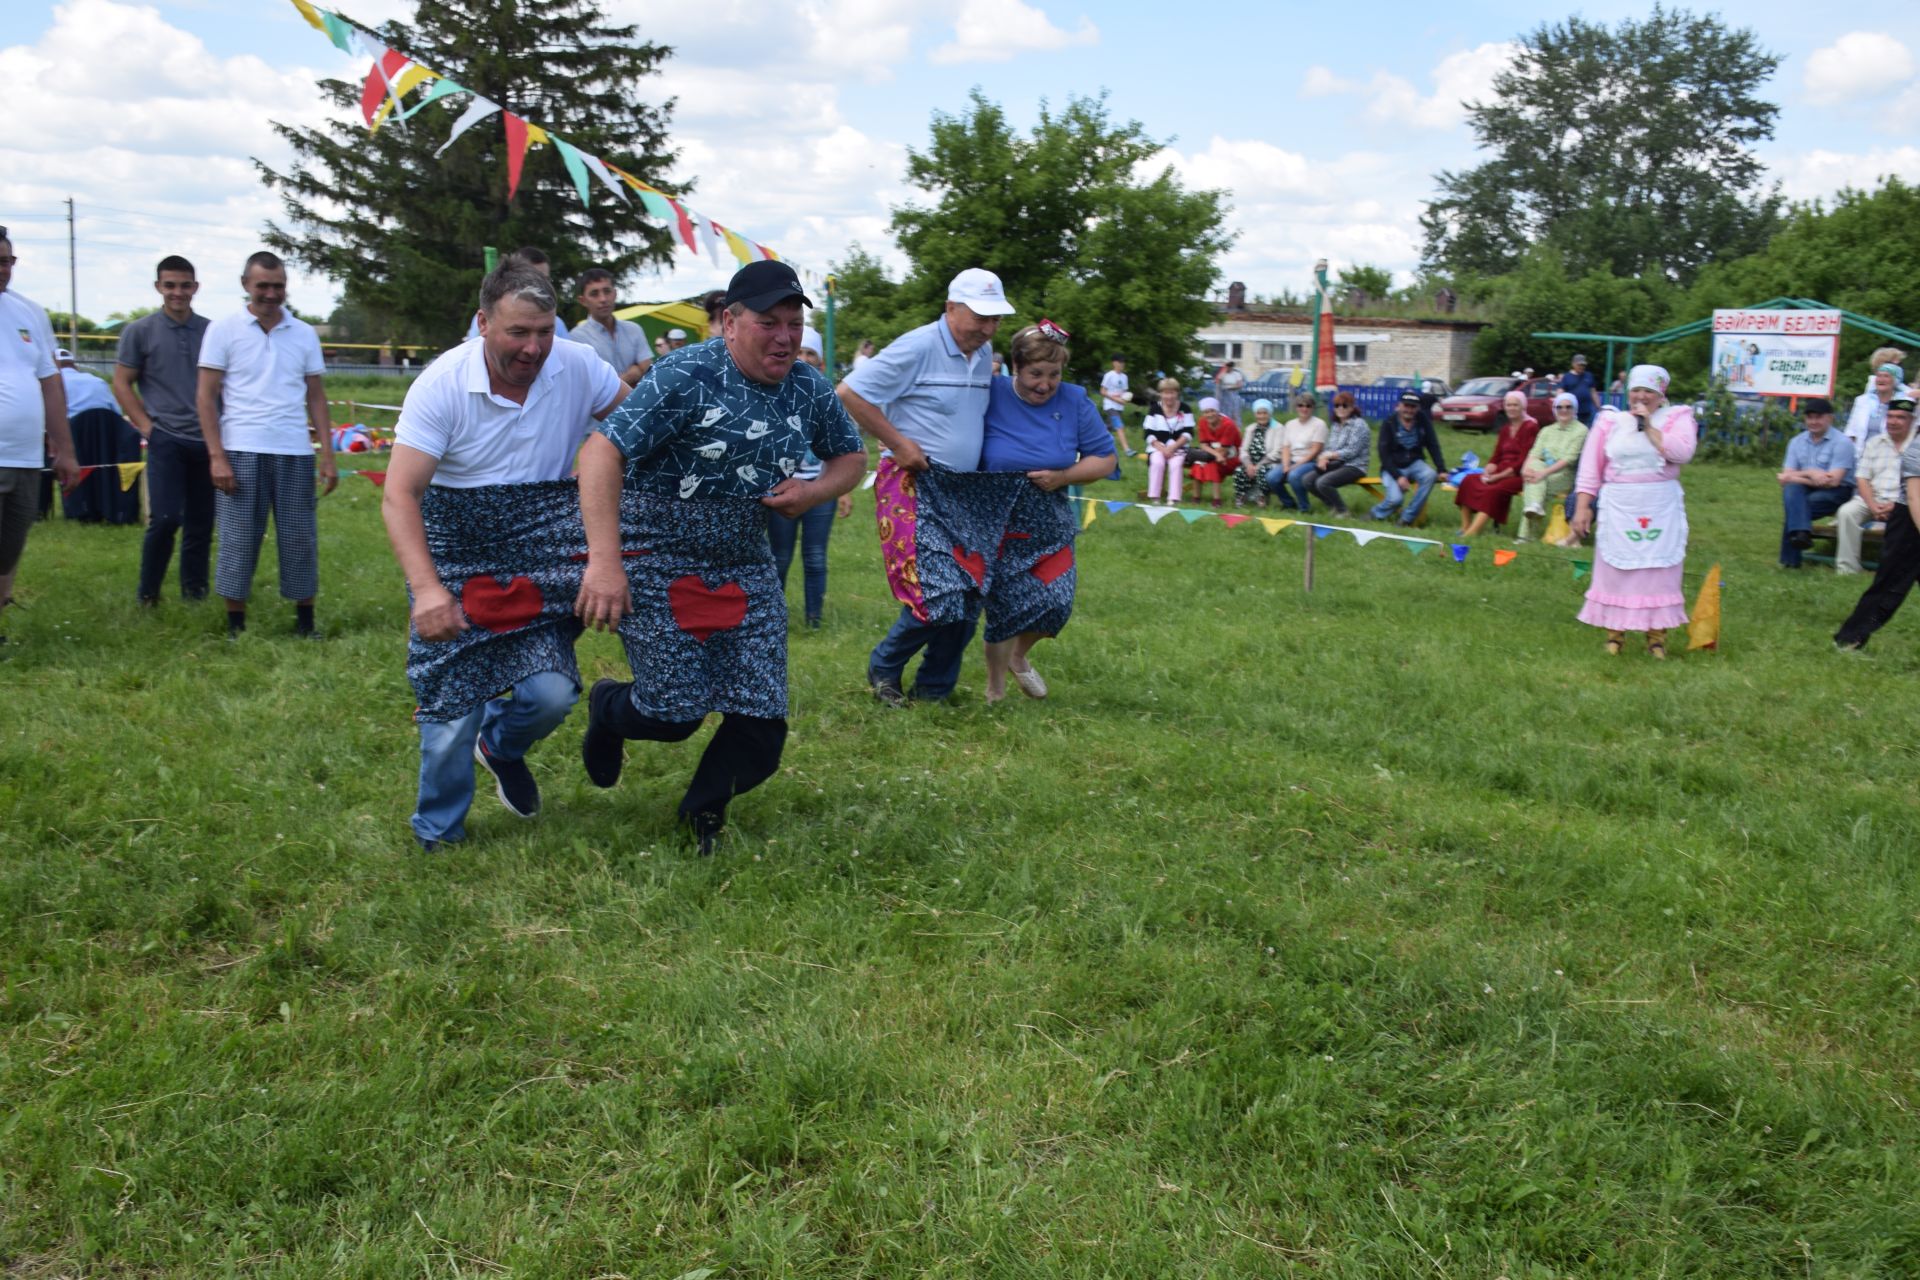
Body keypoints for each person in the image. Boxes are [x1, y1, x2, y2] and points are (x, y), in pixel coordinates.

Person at [574, 260, 865, 851]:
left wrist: (812, 492)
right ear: (729, 322)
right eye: (768, 323)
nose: (785, 337)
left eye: (794, 323)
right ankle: (609, 708)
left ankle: (701, 815)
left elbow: (851, 459)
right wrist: (605, 563)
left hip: (742, 556)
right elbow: (601, 455)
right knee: (673, 714)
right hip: (657, 553)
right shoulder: (683, 374)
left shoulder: (808, 385)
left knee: (761, 724)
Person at [382, 263, 629, 853]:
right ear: (483, 322)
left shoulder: (576, 364)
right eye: (519, 332)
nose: (534, 347)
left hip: (539, 552)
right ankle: (438, 833)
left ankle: (501, 747)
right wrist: (428, 589)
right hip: (455, 552)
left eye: (544, 331)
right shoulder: (441, 384)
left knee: (553, 695)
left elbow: (641, 427)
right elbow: (400, 495)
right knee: (451, 711)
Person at [839, 267, 1009, 706]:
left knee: (971, 592)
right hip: (913, 483)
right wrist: (898, 443)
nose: (989, 328)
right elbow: (850, 393)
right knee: (936, 591)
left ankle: (935, 690)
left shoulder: (982, 348)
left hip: (966, 489)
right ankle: (885, 663)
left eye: (995, 319)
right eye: (980, 317)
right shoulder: (917, 346)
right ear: (951, 308)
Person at [196, 250, 338, 639]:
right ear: (246, 285)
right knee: (238, 538)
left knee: (299, 538)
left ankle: (305, 622)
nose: (271, 294)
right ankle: (235, 624)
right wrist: (217, 456)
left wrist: (327, 454)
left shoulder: (304, 333)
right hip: (240, 449)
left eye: (278, 286)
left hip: (293, 450)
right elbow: (206, 396)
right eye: (263, 286)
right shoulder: (223, 329)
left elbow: (316, 397)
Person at [977, 320, 1115, 702]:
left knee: (1056, 602)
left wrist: (1064, 476)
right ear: (1016, 368)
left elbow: (1104, 459)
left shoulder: (1073, 400)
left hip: (1049, 519)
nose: (1045, 384)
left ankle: (1019, 656)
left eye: (1053, 374)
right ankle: (995, 689)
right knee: (1005, 609)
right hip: (996, 519)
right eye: (1036, 373)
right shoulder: (991, 393)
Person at [1570, 365, 1698, 657]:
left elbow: (1682, 453)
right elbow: (1590, 470)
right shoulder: (1609, 422)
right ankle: (1615, 634)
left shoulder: (1677, 418)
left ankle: (1657, 636)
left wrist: (1650, 427)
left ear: (1660, 394)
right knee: (1617, 570)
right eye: (1637, 391)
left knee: (1657, 572)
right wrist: (1582, 507)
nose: (1642, 396)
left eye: (1649, 392)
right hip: (1620, 505)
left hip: (1659, 506)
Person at [115, 254, 214, 605]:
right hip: (166, 438)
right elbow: (122, 383)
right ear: (158, 287)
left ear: (196, 288)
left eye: (185, 285)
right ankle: (149, 593)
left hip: (207, 440)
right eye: (170, 285)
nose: (178, 292)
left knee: (201, 522)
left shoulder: (210, 330)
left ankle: (195, 592)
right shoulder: (139, 331)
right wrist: (147, 428)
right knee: (167, 518)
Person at [0, 226, 80, 641]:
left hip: (25, 456)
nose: (1, 270)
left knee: (9, 549)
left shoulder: (29, 312)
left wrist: (64, 450)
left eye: (6, 261)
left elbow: (51, 383)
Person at [766, 329, 854, 628]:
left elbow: (843, 452)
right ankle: (772, 616)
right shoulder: (772, 392)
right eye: (799, 352)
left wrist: (841, 491)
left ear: (820, 362)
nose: (803, 358)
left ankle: (814, 619)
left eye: (810, 354)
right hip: (782, 490)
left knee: (816, 557)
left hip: (818, 490)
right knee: (779, 556)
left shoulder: (825, 396)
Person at [1835, 396, 1920, 649]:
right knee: (1889, 587)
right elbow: (1915, 496)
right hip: (1909, 525)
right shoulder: (1917, 449)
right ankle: (1849, 638)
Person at [1834, 395, 1914, 575]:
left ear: (1911, 420)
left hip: (1906, 501)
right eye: (1890, 416)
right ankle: (1847, 569)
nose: (1893, 421)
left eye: (1900, 417)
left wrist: (1896, 505)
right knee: (1847, 513)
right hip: (1872, 499)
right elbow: (1862, 478)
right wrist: (1872, 506)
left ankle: (1896, 570)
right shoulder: (1874, 443)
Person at [1778, 398, 1855, 569]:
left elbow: (1833, 481)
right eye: (1810, 417)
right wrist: (1810, 473)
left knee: (1796, 506)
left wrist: (1794, 477)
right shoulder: (1796, 442)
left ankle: (1790, 561)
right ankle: (1801, 536)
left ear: (1830, 418)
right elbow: (1785, 478)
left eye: (1818, 417)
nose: (1813, 422)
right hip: (1805, 488)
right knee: (1792, 491)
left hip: (1839, 491)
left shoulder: (1843, 442)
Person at [1454, 390, 1539, 538]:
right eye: (1508, 405)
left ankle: (1472, 534)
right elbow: (1497, 455)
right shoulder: (1505, 429)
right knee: (1468, 481)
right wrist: (1489, 468)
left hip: (1519, 474)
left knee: (1493, 491)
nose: (1511, 408)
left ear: (1523, 407)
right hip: (1500, 471)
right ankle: (1465, 526)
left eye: (1515, 405)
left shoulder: (1530, 427)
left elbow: (1523, 460)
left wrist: (1497, 477)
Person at [1369, 390, 1447, 526]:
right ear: (1399, 406)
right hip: (1392, 466)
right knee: (1395, 500)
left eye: (1413, 406)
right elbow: (1383, 454)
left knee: (1430, 475)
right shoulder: (1389, 423)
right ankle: (1375, 513)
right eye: (1406, 405)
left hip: (1415, 462)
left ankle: (1406, 519)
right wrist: (1398, 476)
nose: (1409, 410)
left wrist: (1441, 469)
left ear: (1417, 408)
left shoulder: (1423, 420)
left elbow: (1433, 444)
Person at [1518, 392, 1588, 541]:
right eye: (1559, 407)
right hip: (1542, 471)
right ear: (1554, 409)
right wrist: (1525, 470)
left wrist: (1543, 473)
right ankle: (1535, 506)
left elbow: (1569, 459)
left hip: (1565, 474)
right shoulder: (1546, 430)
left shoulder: (1581, 430)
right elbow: (1534, 453)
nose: (1564, 410)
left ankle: (1525, 535)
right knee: (1533, 474)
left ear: (1574, 409)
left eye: (1568, 407)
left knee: (1534, 483)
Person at [465, 247, 567, 342]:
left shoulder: (557, 323)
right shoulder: (489, 317)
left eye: (545, 280)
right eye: (518, 332)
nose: (539, 285)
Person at [568, 267, 649, 383]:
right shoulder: (576, 338)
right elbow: (587, 385)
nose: (603, 299)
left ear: (615, 294)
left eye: (607, 291)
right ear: (583, 301)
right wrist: (630, 376)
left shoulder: (634, 329)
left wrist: (611, 382)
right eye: (594, 294)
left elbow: (647, 369)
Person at [1310, 392, 1371, 516]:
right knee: (1307, 480)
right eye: (1337, 405)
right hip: (1336, 464)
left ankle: (1343, 511)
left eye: (1345, 405)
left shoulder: (1359, 424)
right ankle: (1334, 506)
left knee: (1323, 482)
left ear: (1352, 408)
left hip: (1355, 466)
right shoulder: (1336, 425)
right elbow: (1328, 447)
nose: (1340, 408)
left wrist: (1330, 456)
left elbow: (1352, 451)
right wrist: (1323, 458)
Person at [1842, 352, 1913, 451]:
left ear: (1895, 380)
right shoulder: (1862, 400)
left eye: (1886, 376)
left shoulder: (1904, 402)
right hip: (1861, 457)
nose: (1881, 379)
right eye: (1879, 376)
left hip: (1889, 457)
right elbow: (1851, 432)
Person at [1270, 392, 1327, 512]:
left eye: (1308, 406)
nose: (1304, 408)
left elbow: (1316, 450)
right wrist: (1286, 465)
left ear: (1313, 408)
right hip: (1291, 460)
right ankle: (1289, 503)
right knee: (1271, 477)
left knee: (1294, 476)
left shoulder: (1319, 424)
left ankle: (1304, 507)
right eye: (1301, 405)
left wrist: (1296, 466)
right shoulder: (1290, 424)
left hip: (1311, 461)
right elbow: (1286, 447)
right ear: (1296, 407)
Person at [1140, 377, 1194, 504]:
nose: (1168, 396)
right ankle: (1155, 497)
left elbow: (1188, 432)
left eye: (1172, 392)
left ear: (1177, 393)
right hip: (1157, 447)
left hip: (1179, 447)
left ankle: (1173, 498)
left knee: (1176, 464)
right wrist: (1162, 449)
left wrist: (1173, 447)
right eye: (1165, 393)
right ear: (1160, 394)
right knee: (1157, 462)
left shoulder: (1185, 408)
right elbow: (1148, 433)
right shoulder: (1154, 409)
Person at [1187, 396, 1240, 506]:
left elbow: (1224, 449)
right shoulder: (1202, 422)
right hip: (1214, 453)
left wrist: (1213, 455)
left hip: (1232, 456)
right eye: (1206, 412)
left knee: (1212, 464)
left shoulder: (1228, 424)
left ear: (1218, 411)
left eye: (1212, 411)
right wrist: (1214, 454)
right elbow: (1203, 444)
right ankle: (1196, 498)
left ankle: (1217, 500)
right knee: (1198, 464)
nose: (1209, 415)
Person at [1234, 398, 1280, 507]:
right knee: (1239, 470)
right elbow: (1243, 450)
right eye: (1259, 413)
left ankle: (1262, 497)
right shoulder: (1251, 428)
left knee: (1263, 470)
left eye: (1265, 413)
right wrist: (1249, 464)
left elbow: (1277, 452)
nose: (1262, 416)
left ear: (1270, 414)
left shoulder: (1278, 428)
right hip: (1251, 463)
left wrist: (1258, 465)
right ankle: (1241, 497)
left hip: (1269, 462)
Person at [54, 349, 116, 415]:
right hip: (103, 424)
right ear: (75, 366)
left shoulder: (53, 386)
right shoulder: (99, 382)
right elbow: (116, 414)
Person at [1098, 355, 1137, 457]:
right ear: (1114, 363)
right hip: (1110, 406)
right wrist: (1115, 399)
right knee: (1119, 426)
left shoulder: (1125, 377)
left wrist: (1126, 398)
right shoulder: (1109, 375)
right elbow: (1102, 391)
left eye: (1123, 362)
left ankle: (1095, 440)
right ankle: (1127, 450)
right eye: (1120, 362)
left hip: (1119, 406)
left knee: (1109, 428)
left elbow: (1124, 392)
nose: (1122, 364)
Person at [1559, 353, 1600, 426]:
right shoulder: (1567, 377)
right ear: (1573, 364)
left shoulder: (1589, 375)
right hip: (1572, 412)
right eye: (1579, 365)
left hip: (1587, 412)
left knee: (1586, 433)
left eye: (1583, 365)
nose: (1582, 367)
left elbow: (1593, 392)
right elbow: (1560, 392)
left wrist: (1599, 407)